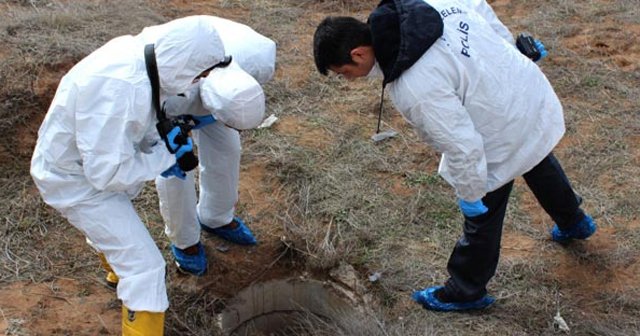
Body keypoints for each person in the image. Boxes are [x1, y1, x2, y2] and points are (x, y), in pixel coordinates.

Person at [313, 0, 597, 312]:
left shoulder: (414, 86)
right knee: (535, 155)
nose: (349, 80)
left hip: (501, 120)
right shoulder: (418, 7)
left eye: (344, 73)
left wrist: (472, 192)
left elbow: (463, 145)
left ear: (358, 53)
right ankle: (574, 221)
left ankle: (465, 290)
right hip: (525, 90)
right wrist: (510, 50)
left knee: (485, 208)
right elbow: (477, 4)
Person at [30, 15, 265, 335]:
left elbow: (130, 131)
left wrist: (161, 140)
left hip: (95, 162)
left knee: (119, 232)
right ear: (185, 65)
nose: (198, 82)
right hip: (74, 179)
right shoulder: (118, 90)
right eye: (200, 75)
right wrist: (162, 157)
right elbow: (105, 175)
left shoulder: (148, 62)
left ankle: (114, 269)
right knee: (145, 268)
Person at [155, 16, 276, 277]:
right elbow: (158, 118)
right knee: (176, 169)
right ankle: (185, 241)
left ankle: (215, 216)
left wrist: (218, 120)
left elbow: (241, 99)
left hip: (219, 68)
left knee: (227, 149)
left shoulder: (260, 57)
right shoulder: (172, 92)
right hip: (179, 79)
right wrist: (176, 132)